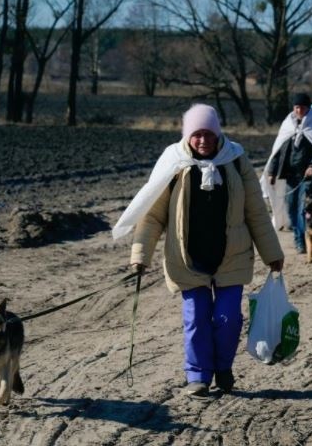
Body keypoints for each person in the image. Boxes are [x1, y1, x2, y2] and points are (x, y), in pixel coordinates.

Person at [114, 104, 285, 398]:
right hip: (187, 258)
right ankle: (198, 376)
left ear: (218, 134)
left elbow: (256, 211)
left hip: (231, 255)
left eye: (208, 134)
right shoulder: (174, 162)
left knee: (228, 318)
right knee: (195, 319)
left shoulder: (236, 160)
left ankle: (223, 368)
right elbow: (152, 215)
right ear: (187, 136)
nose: (203, 140)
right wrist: (140, 255)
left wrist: (272, 253)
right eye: (197, 135)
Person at [262, 92, 312, 254]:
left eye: (302, 107)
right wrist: (271, 171)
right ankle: (301, 237)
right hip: (290, 174)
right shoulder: (288, 124)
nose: (299, 110)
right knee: (291, 209)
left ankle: (302, 242)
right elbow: (279, 149)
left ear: (308, 108)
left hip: (307, 175)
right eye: (297, 107)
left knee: (303, 209)